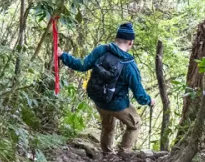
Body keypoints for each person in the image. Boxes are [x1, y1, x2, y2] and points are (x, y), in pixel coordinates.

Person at [58, 22, 153, 155]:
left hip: (99, 100)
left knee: (108, 125)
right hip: (118, 105)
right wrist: (149, 101)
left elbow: (81, 65)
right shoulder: (129, 65)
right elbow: (139, 94)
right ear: (131, 42)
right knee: (135, 124)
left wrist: (62, 55)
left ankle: (107, 152)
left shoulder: (102, 50)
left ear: (116, 38)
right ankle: (123, 153)